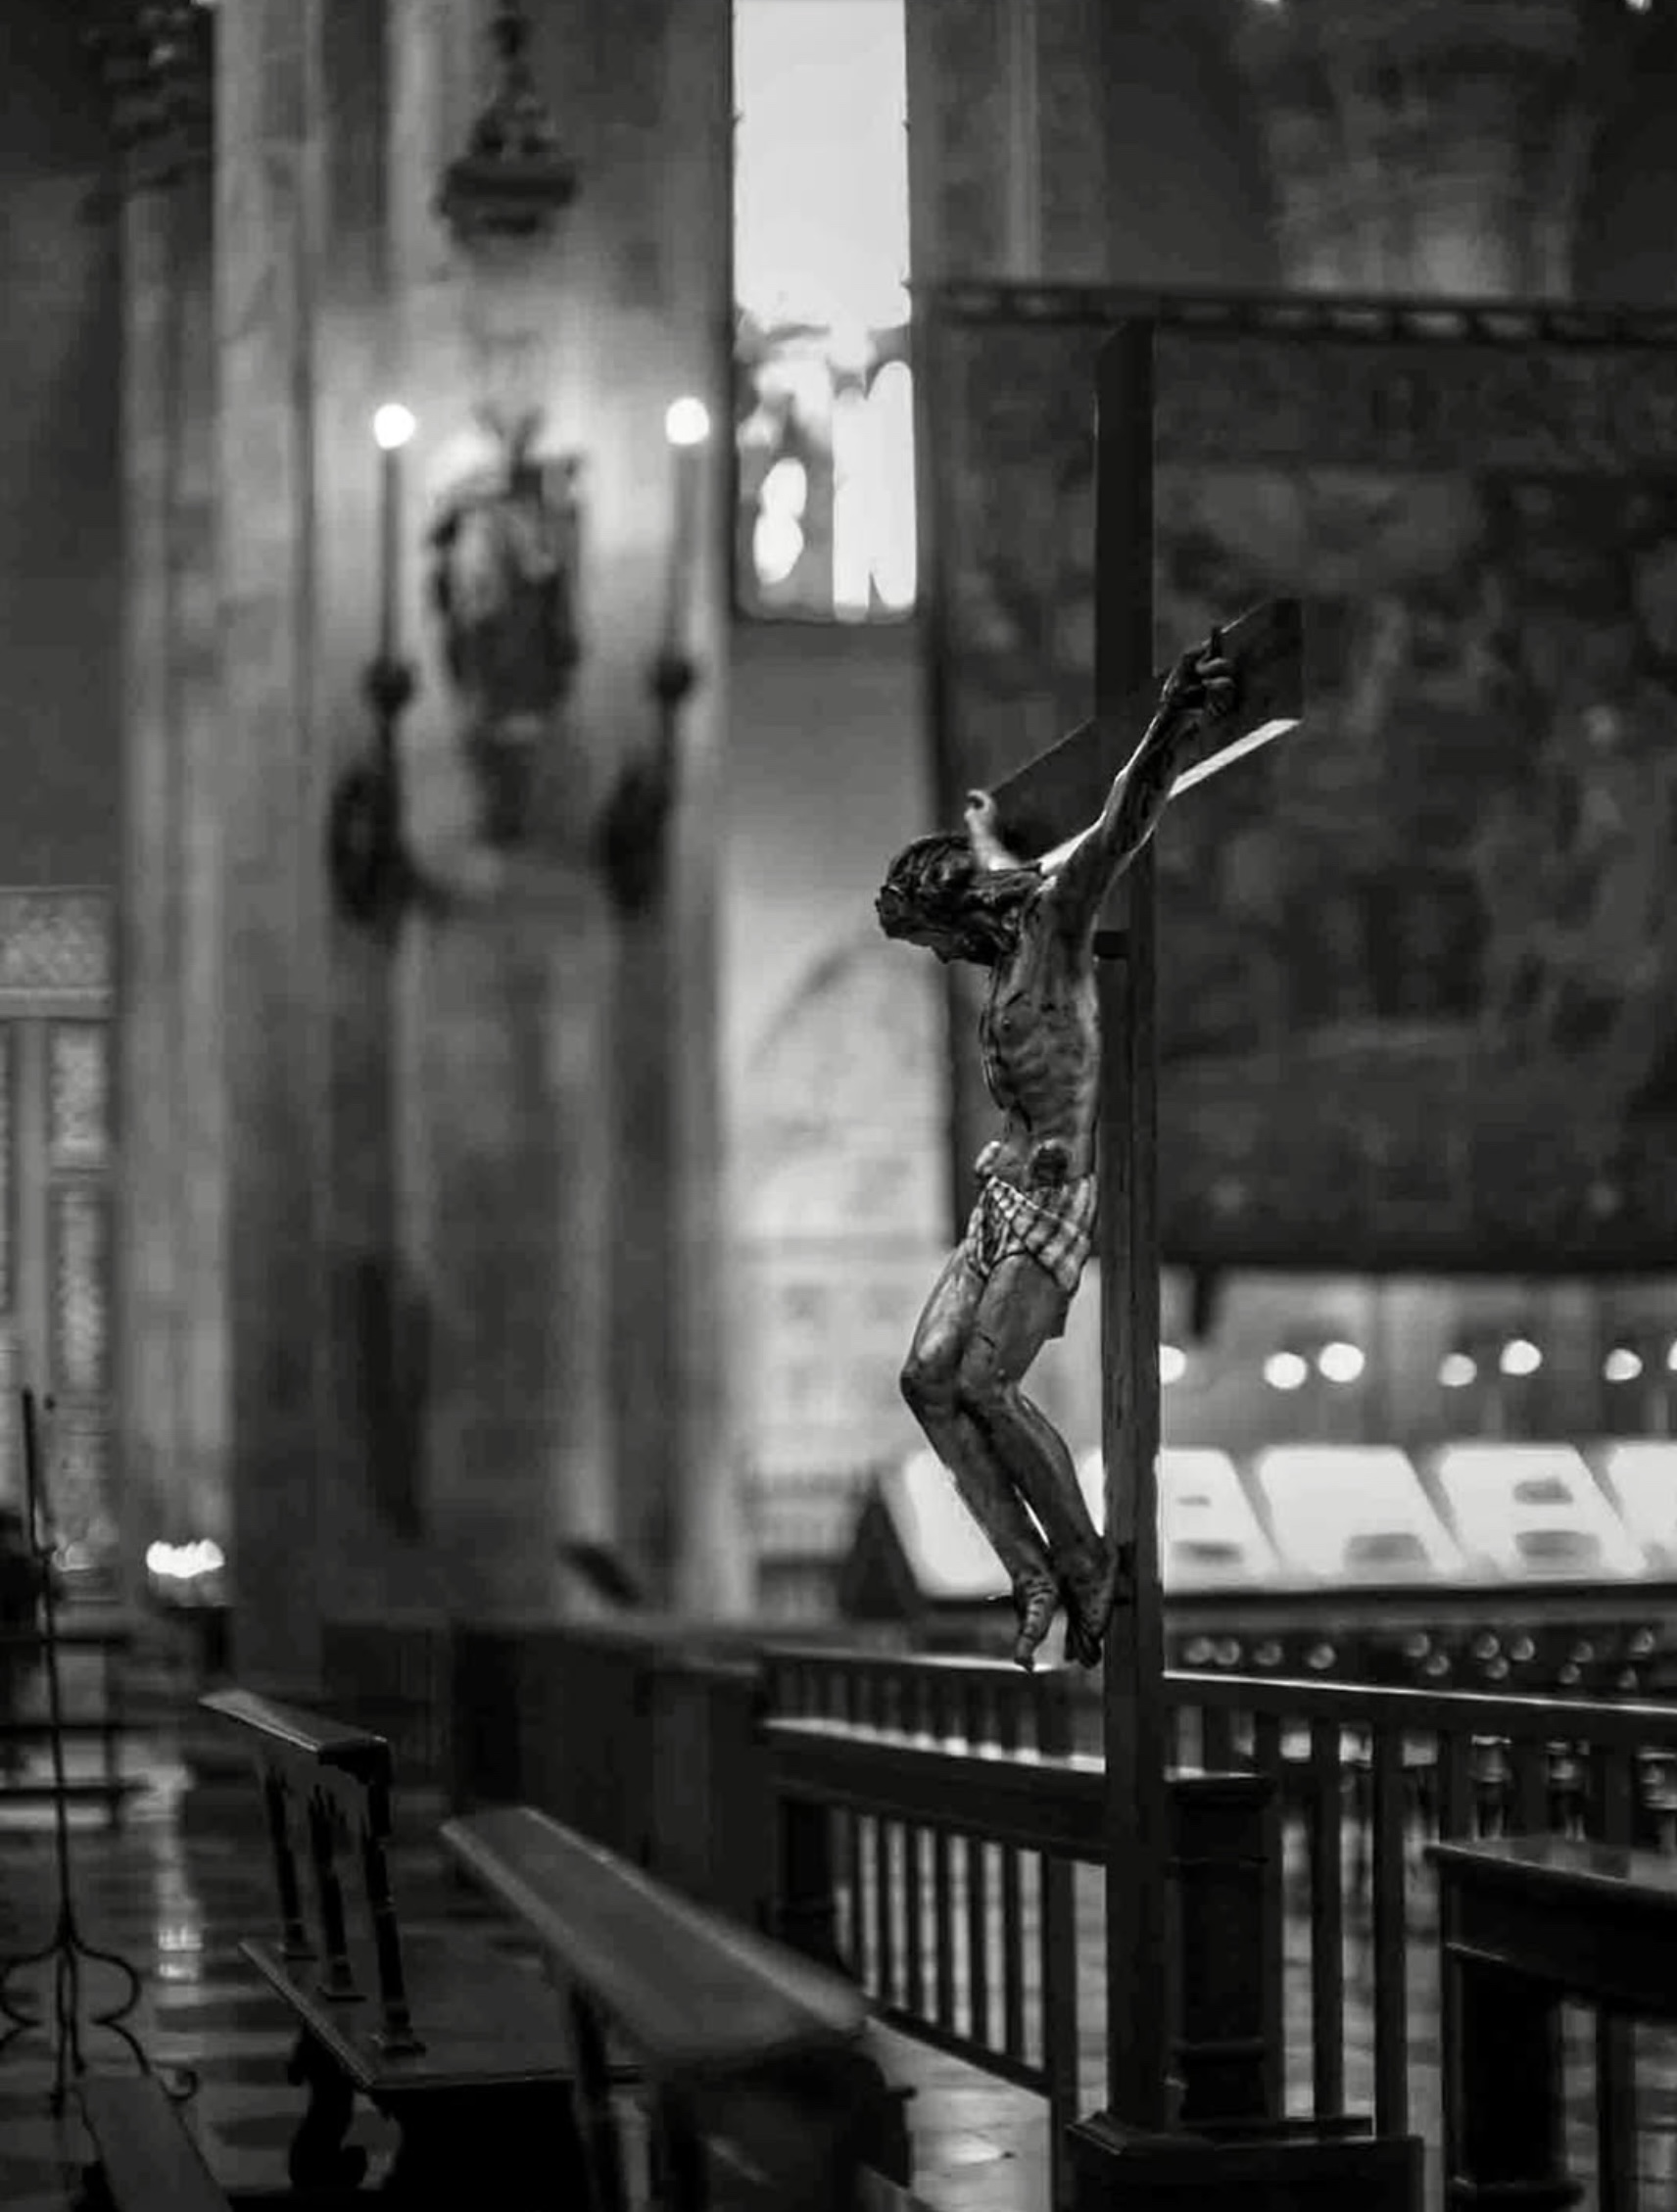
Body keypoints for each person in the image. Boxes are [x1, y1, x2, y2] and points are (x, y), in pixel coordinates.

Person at [876, 631, 1239, 1669]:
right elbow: (995, 878)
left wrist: (1172, 720)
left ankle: (1083, 1563)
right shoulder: (1001, 940)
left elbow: (1121, 819)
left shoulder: (1053, 924)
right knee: (925, 1380)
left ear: (956, 914)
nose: (941, 956)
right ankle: (1028, 1569)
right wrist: (985, 833)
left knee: (985, 1383)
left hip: (1053, 1196)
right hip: (1001, 1196)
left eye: (933, 939)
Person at [0, 1505, 42, 1776]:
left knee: (14, 1700)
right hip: (15, 1642)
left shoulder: (22, 1563)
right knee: (11, 1701)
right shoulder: (19, 1563)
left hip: (20, 1643)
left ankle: (11, 1751)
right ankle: (10, 1751)